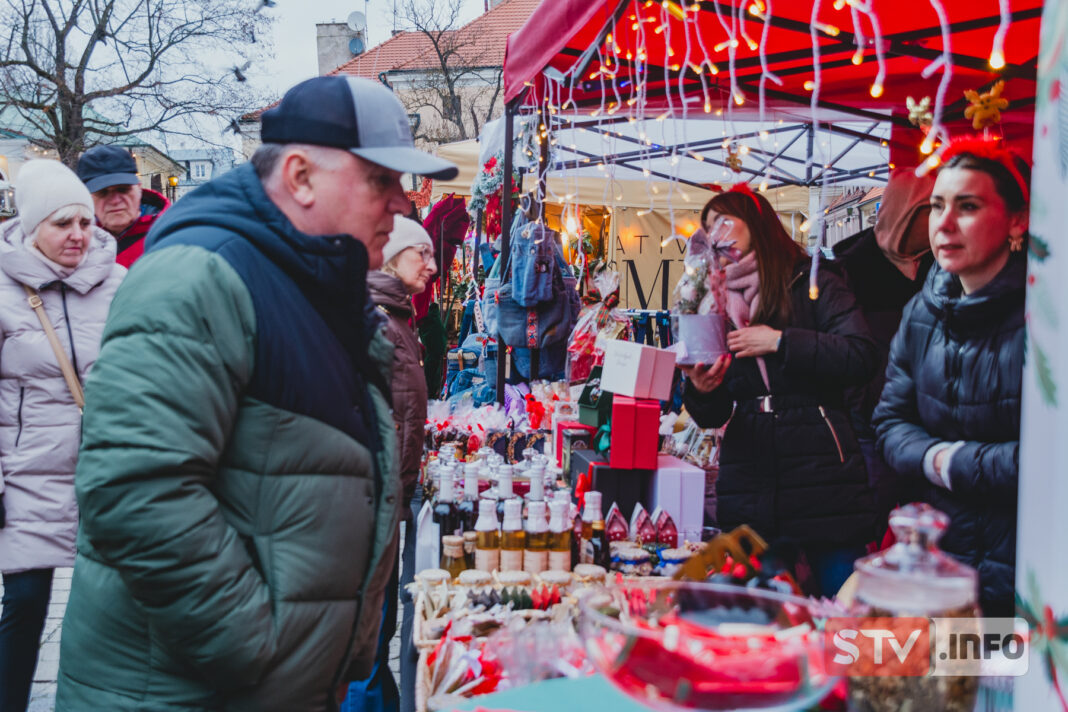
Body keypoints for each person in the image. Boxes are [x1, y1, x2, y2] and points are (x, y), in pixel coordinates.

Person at [55, 76, 458, 711]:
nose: (402, 205)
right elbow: (134, 488)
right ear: (299, 177)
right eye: (383, 181)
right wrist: (257, 648)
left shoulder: (315, 283)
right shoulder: (200, 276)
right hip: (195, 692)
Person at [681, 185, 878, 597]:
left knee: (841, 616)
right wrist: (701, 390)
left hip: (824, 480)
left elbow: (861, 355)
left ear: (757, 226)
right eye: (709, 226)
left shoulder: (812, 280)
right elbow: (715, 413)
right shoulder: (713, 299)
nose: (716, 234)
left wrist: (781, 342)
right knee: (762, 620)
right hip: (752, 481)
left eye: (725, 222)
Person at [873, 139, 1029, 617]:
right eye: (937, 205)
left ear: (1016, 221)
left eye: (968, 206)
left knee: (1007, 685)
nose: (943, 224)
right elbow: (889, 422)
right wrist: (938, 459)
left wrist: (956, 465)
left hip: (1032, 577)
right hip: (941, 576)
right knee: (939, 685)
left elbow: (1051, 458)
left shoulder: (1048, 317)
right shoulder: (922, 312)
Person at [0, 160, 125, 712]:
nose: (78, 234)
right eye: (61, 224)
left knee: (111, 606)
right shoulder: (3, 289)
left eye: (83, 221)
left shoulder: (120, 282)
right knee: (26, 601)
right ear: (31, 228)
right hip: (27, 470)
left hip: (107, 470)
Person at [342, 217, 436, 712]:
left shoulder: (397, 317)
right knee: (367, 636)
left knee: (375, 632)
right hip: (370, 506)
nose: (433, 265)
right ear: (392, 256)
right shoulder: (380, 320)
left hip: (381, 502)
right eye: (421, 252)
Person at [832, 171, 936, 537]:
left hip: (931, 427)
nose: (942, 221)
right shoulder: (848, 268)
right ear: (906, 212)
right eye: (932, 208)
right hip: (867, 427)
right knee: (865, 529)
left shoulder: (943, 270)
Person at [76, 145, 170, 268]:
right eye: (102, 192)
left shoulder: (172, 234)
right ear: (87, 197)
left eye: (123, 190)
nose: (115, 200)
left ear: (139, 189)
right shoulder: (72, 243)